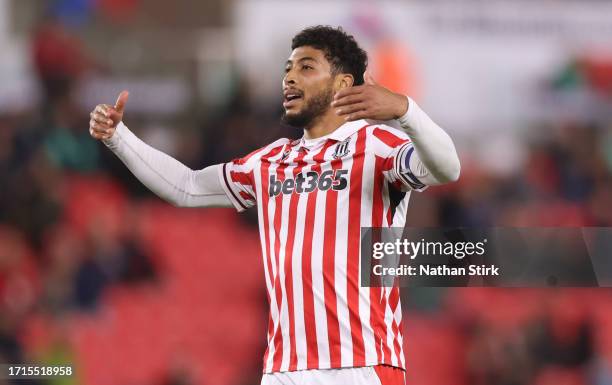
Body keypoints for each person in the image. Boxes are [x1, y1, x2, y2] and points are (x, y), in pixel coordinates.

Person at [89, 25, 460, 385]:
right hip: (283, 369)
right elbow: (186, 187)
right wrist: (117, 138)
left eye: (306, 67)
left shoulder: (377, 145)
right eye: (287, 69)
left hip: (359, 365)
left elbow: (447, 168)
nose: (289, 78)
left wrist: (405, 111)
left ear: (343, 84)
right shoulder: (270, 162)